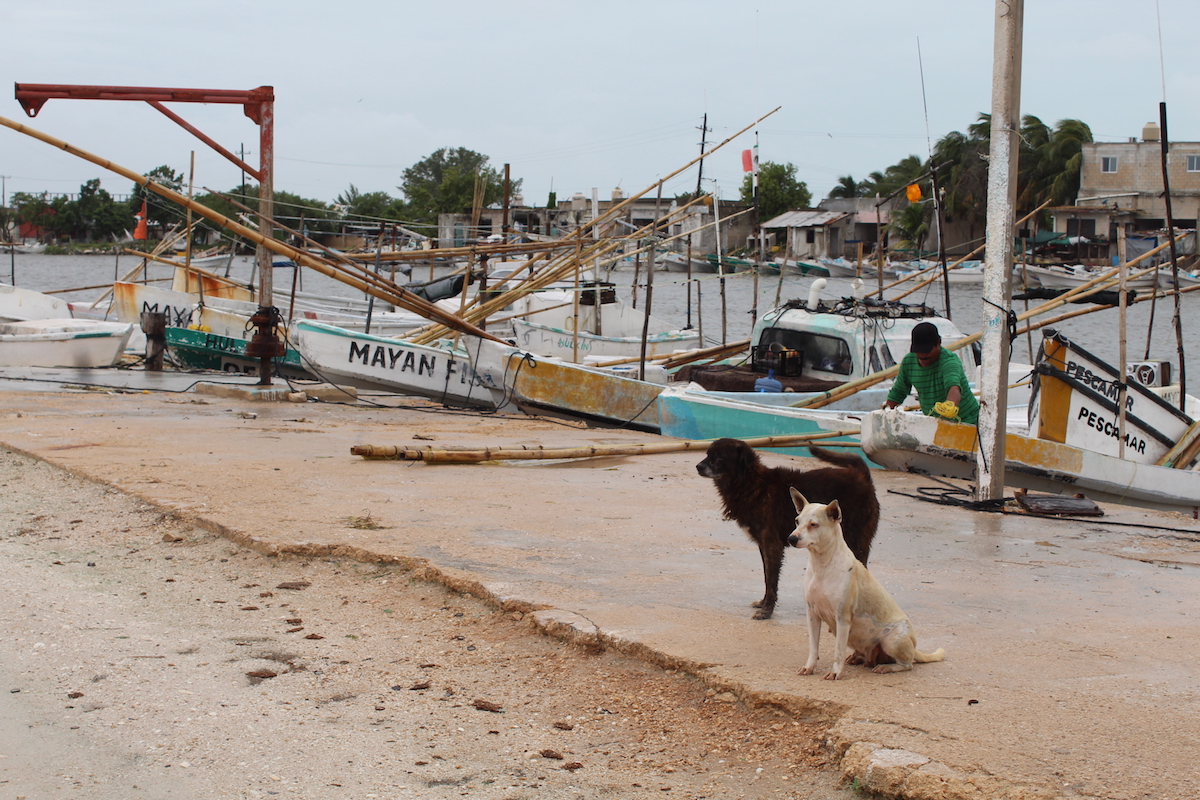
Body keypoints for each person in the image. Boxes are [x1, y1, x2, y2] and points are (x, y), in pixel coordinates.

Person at [883, 322, 979, 425]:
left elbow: (953, 387)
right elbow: (898, 392)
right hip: (934, 422)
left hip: (966, 420)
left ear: (938, 343)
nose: (923, 355)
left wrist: (950, 405)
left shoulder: (949, 361)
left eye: (927, 350)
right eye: (919, 351)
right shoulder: (909, 361)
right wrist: (885, 413)